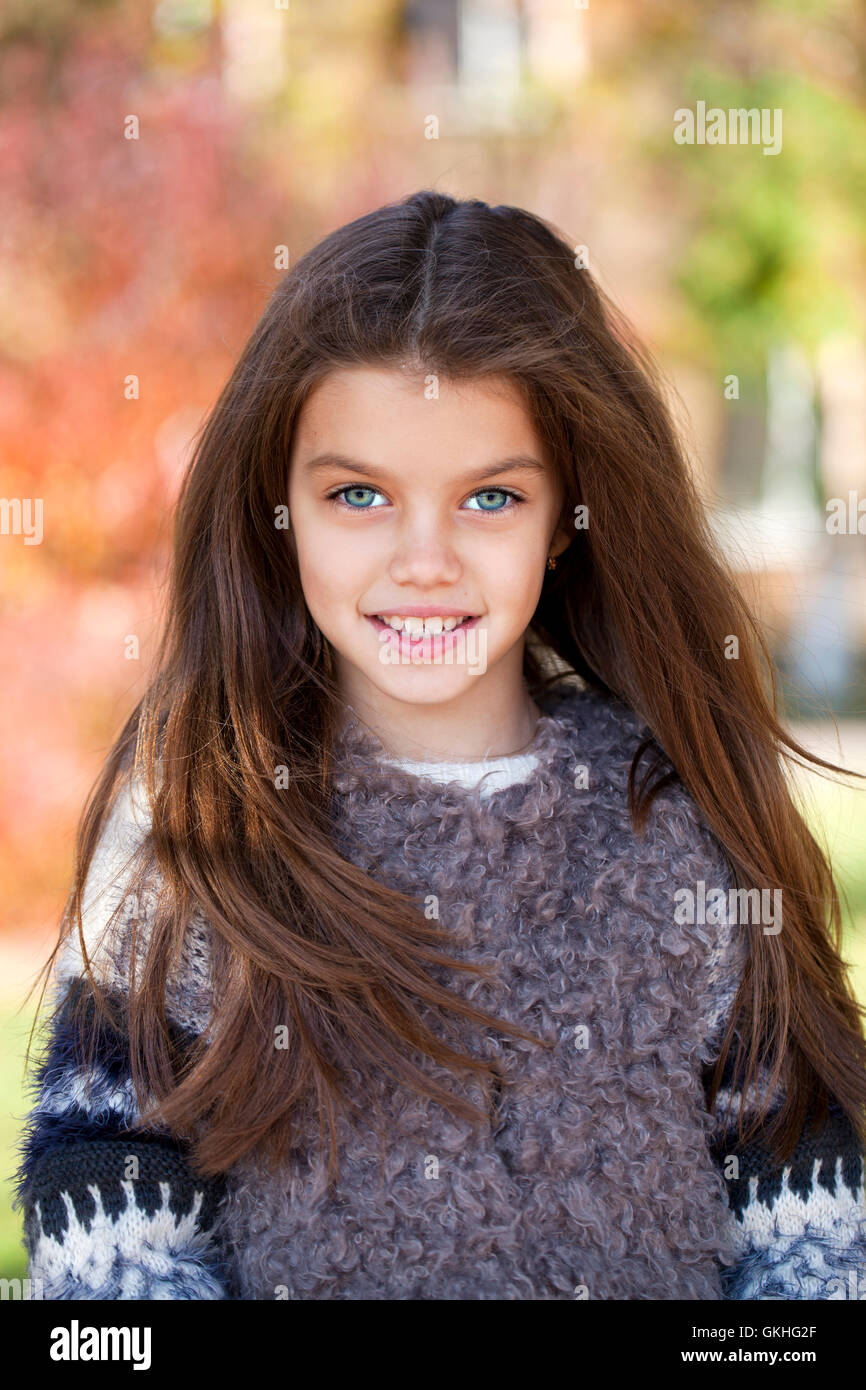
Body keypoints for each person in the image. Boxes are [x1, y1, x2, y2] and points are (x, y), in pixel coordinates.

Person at [14, 190, 866, 1299]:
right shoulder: (196, 824)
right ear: (278, 506)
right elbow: (103, 1199)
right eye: (359, 494)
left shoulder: (681, 818)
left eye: (489, 498)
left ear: (565, 517)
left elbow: (812, 1206)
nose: (423, 560)